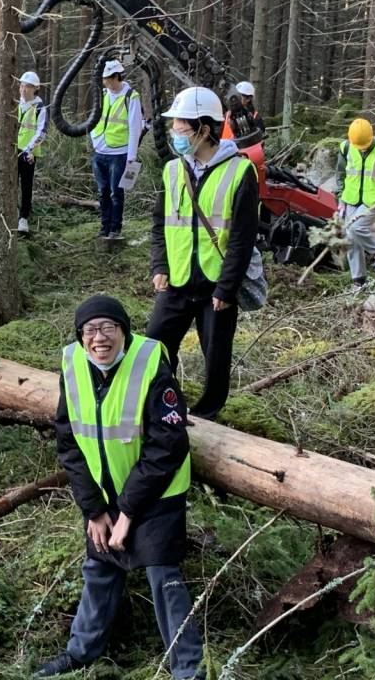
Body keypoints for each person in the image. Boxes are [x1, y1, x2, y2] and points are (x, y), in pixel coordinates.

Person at [36, 296, 203, 679]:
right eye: (90, 330)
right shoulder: (72, 363)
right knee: (99, 567)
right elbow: (68, 440)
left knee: (164, 577)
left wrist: (127, 512)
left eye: (108, 328)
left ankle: (189, 669)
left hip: (157, 492)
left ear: (123, 331)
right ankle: (81, 652)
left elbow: (168, 444)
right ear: (80, 337)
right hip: (104, 493)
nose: (99, 338)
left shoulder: (149, 362)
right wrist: (94, 510)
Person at [146, 87, 259, 420]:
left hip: (216, 287)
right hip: (177, 281)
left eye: (181, 129)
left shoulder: (240, 172)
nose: (175, 135)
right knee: (154, 347)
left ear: (204, 130)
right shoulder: (172, 171)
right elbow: (158, 224)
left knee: (216, 355)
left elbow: (242, 238)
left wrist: (226, 288)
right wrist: (159, 265)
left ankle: (208, 417)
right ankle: (165, 405)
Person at [334, 118, 375, 293]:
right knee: (349, 238)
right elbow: (340, 174)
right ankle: (359, 281)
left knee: (356, 229)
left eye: (364, 144)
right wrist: (340, 199)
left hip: (374, 199)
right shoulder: (346, 147)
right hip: (350, 198)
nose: (362, 148)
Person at [90, 60, 143, 239]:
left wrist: (132, 156)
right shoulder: (103, 94)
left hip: (118, 153)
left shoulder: (131, 96)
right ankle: (104, 226)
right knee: (102, 191)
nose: (104, 82)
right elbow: (93, 119)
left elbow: (135, 128)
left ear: (116, 77)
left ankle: (115, 228)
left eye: (107, 79)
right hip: (100, 151)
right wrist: (94, 139)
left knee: (115, 192)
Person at [17, 71, 47, 233]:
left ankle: (24, 217)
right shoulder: (14, 103)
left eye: (27, 87)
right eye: (22, 86)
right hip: (11, 151)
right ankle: (12, 212)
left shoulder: (40, 107)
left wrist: (29, 150)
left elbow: (41, 131)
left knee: (26, 186)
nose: (23, 90)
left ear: (35, 88)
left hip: (28, 153)